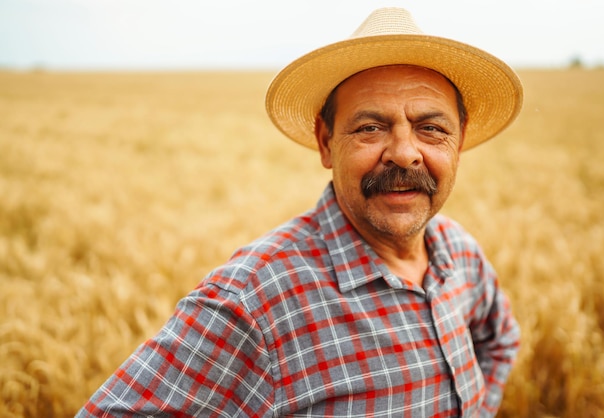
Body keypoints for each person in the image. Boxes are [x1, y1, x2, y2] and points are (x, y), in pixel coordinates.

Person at [77, 7, 522, 417]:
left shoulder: (458, 252)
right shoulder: (256, 303)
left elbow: (500, 340)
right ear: (327, 142)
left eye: (431, 128)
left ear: (459, 141)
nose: (405, 154)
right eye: (370, 127)